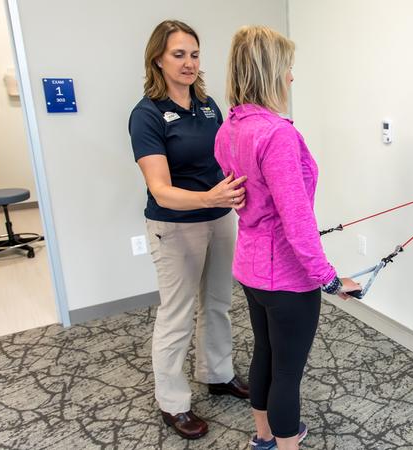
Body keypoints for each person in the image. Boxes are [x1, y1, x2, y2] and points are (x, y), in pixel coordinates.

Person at [214, 26, 361, 450]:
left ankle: (263, 437)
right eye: (288, 68)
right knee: (287, 372)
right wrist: (330, 280)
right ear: (269, 71)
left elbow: (256, 201)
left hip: (251, 270)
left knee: (266, 355)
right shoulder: (277, 134)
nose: (292, 77)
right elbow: (297, 221)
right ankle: (286, 444)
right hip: (287, 279)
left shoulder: (230, 129)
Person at [128, 20, 250, 440]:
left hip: (218, 220)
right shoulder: (146, 115)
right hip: (175, 226)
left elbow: (222, 159)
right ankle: (173, 403)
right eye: (178, 54)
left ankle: (217, 374)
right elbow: (160, 191)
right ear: (158, 59)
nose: (188, 63)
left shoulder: (208, 104)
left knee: (217, 303)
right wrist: (209, 199)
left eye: (194, 54)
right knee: (177, 315)